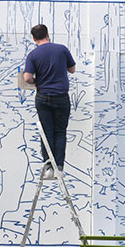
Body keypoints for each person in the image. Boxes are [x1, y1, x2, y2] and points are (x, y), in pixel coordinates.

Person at [23, 23, 75, 177]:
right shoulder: (61, 49)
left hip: (43, 96)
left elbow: (27, 77)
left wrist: (35, 81)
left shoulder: (33, 55)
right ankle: (59, 167)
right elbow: (72, 69)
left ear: (33, 38)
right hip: (61, 97)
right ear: (48, 34)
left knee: (46, 132)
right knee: (60, 132)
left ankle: (48, 168)